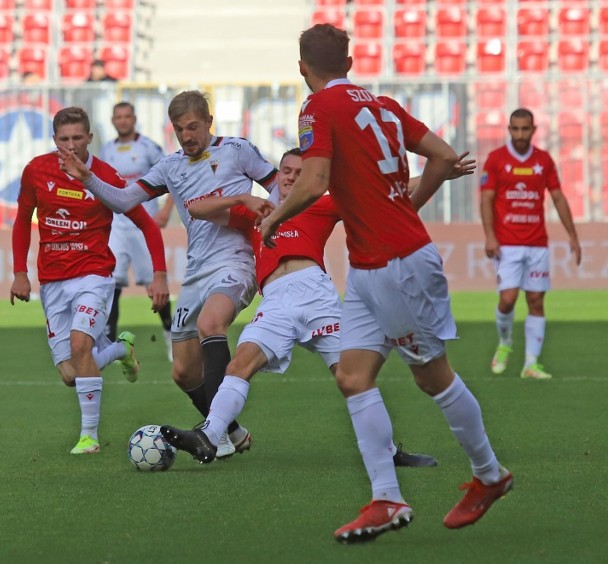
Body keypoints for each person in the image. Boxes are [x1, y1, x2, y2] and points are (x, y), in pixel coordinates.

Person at [257, 24, 512, 542]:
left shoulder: (318, 109)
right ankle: (386, 499)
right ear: (349, 64)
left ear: (303, 69)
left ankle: (489, 475)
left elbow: (315, 178)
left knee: (430, 376)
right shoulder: (385, 106)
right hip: (372, 264)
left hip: (398, 263)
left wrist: (274, 217)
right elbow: (442, 156)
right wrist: (404, 209)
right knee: (352, 376)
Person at [160, 148, 482, 468]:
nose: (291, 177)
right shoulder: (256, 211)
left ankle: (388, 452)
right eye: (287, 170)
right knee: (239, 364)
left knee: (352, 378)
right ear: (278, 173)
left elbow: (379, 190)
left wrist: (436, 174)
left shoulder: (319, 204)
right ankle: (210, 436)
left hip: (316, 295)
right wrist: (241, 199)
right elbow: (195, 208)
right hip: (274, 300)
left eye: (301, 173)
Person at [56, 91, 279, 458]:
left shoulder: (237, 150)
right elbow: (125, 200)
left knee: (211, 323)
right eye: (179, 129)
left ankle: (211, 432)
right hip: (195, 271)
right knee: (184, 373)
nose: (187, 135)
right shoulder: (170, 166)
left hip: (235, 261)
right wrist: (87, 177)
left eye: (193, 126)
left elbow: (277, 188)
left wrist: (273, 225)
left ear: (209, 122)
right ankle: (233, 432)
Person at [10, 106, 169, 455]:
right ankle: (119, 349)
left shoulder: (106, 176)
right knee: (71, 374)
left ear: (89, 138)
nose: (70, 145)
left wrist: (159, 272)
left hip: (94, 275)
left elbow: (147, 224)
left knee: (82, 346)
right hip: (52, 280)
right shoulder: (37, 171)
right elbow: (23, 219)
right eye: (64, 139)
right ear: (54, 140)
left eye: (77, 138)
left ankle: (89, 438)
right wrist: (19, 272)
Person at [481, 108, 582, 380]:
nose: (520, 134)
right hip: (507, 243)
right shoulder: (496, 160)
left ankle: (530, 364)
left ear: (534, 130)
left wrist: (572, 234)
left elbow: (559, 198)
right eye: (515, 129)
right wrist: (490, 235)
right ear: (509, 129)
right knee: (508, 300)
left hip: (537, 242)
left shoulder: (544, 161)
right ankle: (505, 343)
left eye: (525, 129)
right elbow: (487, 199)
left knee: (536, 301)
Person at [100, 102, 174, 361]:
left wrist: (165, 211)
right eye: (118, 116)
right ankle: (108, 342)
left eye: (126, 116)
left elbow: (172, 176)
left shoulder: (148, 147)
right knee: (112, 285)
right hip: (117, 226)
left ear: (134, 118)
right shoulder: (106, 150)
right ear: (112, 120)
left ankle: (169, 334)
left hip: (144, 224)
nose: (122, 121)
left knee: (155, 285)